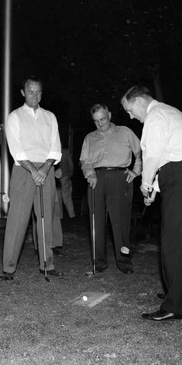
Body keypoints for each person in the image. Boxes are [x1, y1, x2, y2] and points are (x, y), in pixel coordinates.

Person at [120, 85, 182, 321]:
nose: (130, 116)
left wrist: (146, 184)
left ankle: (175, 306)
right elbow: (172, 155)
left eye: (129, 110)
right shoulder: (170, 112)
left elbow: (153, 155)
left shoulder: (154, 116)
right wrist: (156, 189)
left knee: (174, 240)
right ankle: (179, 294)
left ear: (139, 101)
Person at [1, 75, 63, 279]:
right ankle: (9, 267)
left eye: (38, 92)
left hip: (46, 169)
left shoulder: (50, 116)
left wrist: (45, 169)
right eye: (30, 91)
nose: (35, 95)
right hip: (23, 170)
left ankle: (47, 264)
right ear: (22, 92)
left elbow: (55, 147)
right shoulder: (15, 116)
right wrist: (34, 171)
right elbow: (16, 149)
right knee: (17, 219)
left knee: (46, 218)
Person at [79, 103, 142, 274]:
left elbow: (140, 151)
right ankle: (98, 262)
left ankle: (124, 262)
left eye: (103, 119)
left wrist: (137, 170)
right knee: (96, 222)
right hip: (96, 179)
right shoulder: (89, 138)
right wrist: (89, 173)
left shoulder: (125, 132)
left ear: (110, 115)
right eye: (96, 121)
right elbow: (84, 160)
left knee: (121, 222)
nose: (100, 124)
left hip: (120, 178)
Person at [59, 147, 76, 218]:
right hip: (65, 176)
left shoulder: (52, 150)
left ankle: (60, 216)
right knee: (67, 196)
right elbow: (71, 164)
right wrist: (70, 173)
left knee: (57, 197)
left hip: (56, 177)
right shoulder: (65, 152)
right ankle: (71, 214)